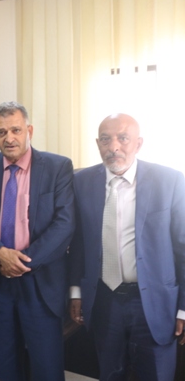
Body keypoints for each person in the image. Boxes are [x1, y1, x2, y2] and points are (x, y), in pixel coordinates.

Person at [0, 101, 75, 381]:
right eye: (1, 132)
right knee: (4, 360)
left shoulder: (57, 167)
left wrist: (22, 261)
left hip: (40, 280)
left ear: (29, 131)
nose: (9, 138)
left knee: (46, 365)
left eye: (16, 130)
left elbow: (64, 224)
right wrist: (0, 253)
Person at [68, 113, 185, 380]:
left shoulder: (169, 181)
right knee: (110, 374)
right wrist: (76, 291)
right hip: (104, 300)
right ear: (97, 144)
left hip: (154, 303)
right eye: (106, 139)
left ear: (138, 143)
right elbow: (78, 241)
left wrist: (184, 307)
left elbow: (183, 248)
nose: (114, 147)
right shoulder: (82, 182)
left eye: (123, 138)